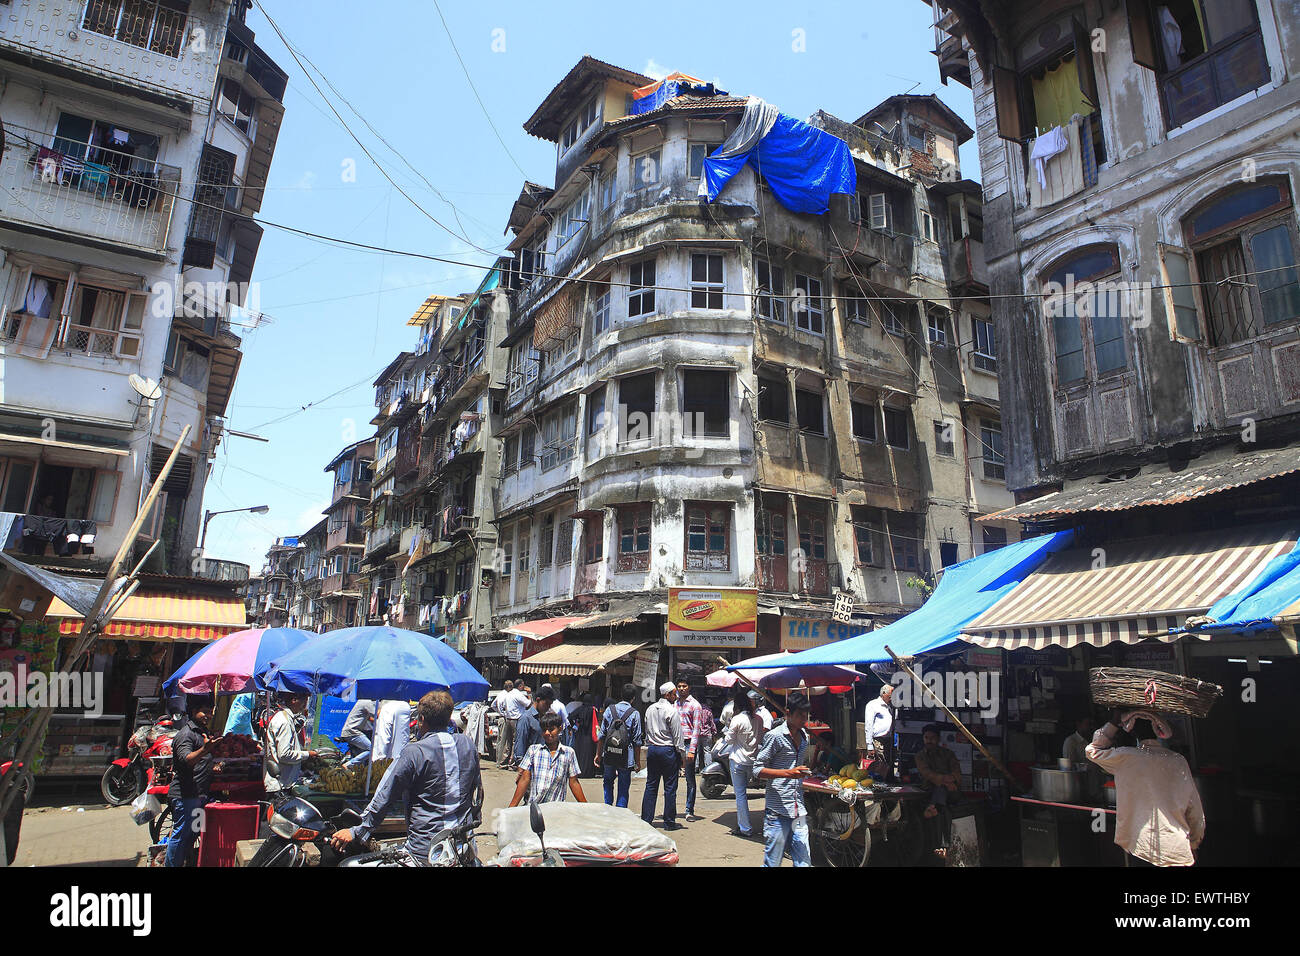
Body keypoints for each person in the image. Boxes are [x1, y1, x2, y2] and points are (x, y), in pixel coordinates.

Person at [329, 690, 482, 862]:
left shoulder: (414, 752)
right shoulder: (467, 744)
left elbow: (385, 795)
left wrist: (357, 831)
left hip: (427, 851)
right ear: (448, 719)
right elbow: (477, 794)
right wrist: (473, 821)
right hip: (463, 846)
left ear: (421, 719)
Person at [1086, 711, 1205, 866]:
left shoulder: (1125, 757)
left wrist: (1114, 722)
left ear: (1132, 731)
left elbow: (1092, 750)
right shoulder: (1178, 760)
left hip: (1140, 848)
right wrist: (1193, 844)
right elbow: (1195, 810)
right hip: (1177, 847)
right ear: (1158, 731)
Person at [754, 692, 825, 867]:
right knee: (773, 862)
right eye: (800, 715)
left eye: (806, 715)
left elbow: (797, 770)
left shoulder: (804, 738)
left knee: (804, 862)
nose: (804, 719)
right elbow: (757, 770)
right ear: (788, 712)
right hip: (777, 811)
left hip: (798, 809)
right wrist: (789, 773)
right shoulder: (775, 736)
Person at [166, 699, 221, 867]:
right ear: (193, 711)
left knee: (193, 834)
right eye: (205, 711)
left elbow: (201, 761)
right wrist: (205, 749)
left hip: (199, 794)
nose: (209, 715)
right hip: (185, 795)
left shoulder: (201, 732)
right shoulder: (186, 734)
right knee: (181, 835)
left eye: (211, 712)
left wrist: (213, 765)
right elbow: (186, 759)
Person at [508, 712, 587, 806]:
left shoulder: (568, 753)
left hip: (556, 809)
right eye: (544, 730)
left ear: (560, 729)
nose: (547, 733)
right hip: (535, 807)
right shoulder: (534, 750)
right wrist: (512, 806)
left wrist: (586, 807)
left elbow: (573, 782)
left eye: (551, 730)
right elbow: (525, 779)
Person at [913, 724, 963, 861]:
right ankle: (943, 846)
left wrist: (949, 782)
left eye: (932, 738)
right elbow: (927, 774)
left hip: (951, 792)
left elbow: (957, 773)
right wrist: (945, 780)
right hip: (930, 792)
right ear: (923, 739)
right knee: (942, 809)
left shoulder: (948, 754)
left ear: (938, 739)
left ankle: (933, 807)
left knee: (941, 791)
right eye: (926, 738)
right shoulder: (920, 756)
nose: (929, 740)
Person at [641, 681, 685, 830]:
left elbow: (647, 729)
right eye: (674, 693)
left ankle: (646, 820)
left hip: (653, 749)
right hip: (668, 751)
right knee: (670, 787)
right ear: (668, 695)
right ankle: (669, 822)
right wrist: (682, 756)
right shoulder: (672, 711)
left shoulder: (650, 709)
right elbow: (678, 736)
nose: (676, 696)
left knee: (651, 785)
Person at [594, 682, 644, 807]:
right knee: (623, 785)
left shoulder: (609, 710)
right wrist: (638, 762)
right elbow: (637, 741)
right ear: (633, 698)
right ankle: (621, 811)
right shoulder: (634, 713)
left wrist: (598, 754)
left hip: (609, 753)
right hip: (626, 756)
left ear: (621, 695)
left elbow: (602, 735)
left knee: (608, 781)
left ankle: (607, 807)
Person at [724, 686, 763, 838]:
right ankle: (744, 825)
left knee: (740, 795)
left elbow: (729, 740)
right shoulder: (758, 719)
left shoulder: (737, 719)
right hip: (752, 760)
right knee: (743, 794)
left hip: (738, 760)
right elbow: (760, 739)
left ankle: (745, 827)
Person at [262, 691, 317, 800]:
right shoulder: (284, 721)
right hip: (280, 786)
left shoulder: (285, 718)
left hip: (282, 783)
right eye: (304, 701)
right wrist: (307, 755)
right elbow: (284, 754)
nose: (305, 705)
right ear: (294, 700)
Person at [675, 676, 706, 822]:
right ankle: (671, 808)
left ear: (689, 688)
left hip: (688, 744)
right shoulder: (674, 704)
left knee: (689, 779)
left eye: (684, 686)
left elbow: (696, 730)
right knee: (671, 777)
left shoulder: (695, 705)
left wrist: (692, 750)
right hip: (675, 744)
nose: (681, 689)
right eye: (679, 686)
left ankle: (689, 810)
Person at [513, 685, 554, 769]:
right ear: (538, 700)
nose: (548, 707)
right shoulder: (526, 718)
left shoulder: (544, 719)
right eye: (546, 704)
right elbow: (520, 742)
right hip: (529, 766)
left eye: (550, 704)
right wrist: (521, 767)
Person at [864, 684, 895, 778]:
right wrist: (869, 745)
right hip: (878, 739)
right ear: (884, 694)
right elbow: (868, 725)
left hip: (889, 739)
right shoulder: (873, 705)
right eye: (890, 696)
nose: (891, 698)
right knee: (882, 762)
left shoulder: (890, 706)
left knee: (889, 761)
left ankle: (889, 780)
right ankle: (882, 783)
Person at [498, 682, 531, 769]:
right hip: (516, 720)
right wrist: (529, 694)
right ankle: (512, 763)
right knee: (516, 741)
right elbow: (528, 704)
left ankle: (504, 761)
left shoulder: (508, 694)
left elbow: (503, 706)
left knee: (508, 742)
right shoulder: (518, 694)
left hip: (508, 719)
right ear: (520, 686)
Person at [339, 699, 376, 768]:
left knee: (364, 752)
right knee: (371, 749)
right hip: (353, 732)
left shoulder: (361, 701)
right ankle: (349, 764)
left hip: (350, 731)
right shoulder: (367, 702)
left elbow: (370, 718)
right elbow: (377, 714)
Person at [570, 693, 599, 777]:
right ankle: (589, 772)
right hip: (590, 736)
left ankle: (579, 772)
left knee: (580, 753)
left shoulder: (580, 709)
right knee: (589, 754)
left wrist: (575, 726)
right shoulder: (593, 710)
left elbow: (570, 717)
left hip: (580, 734)